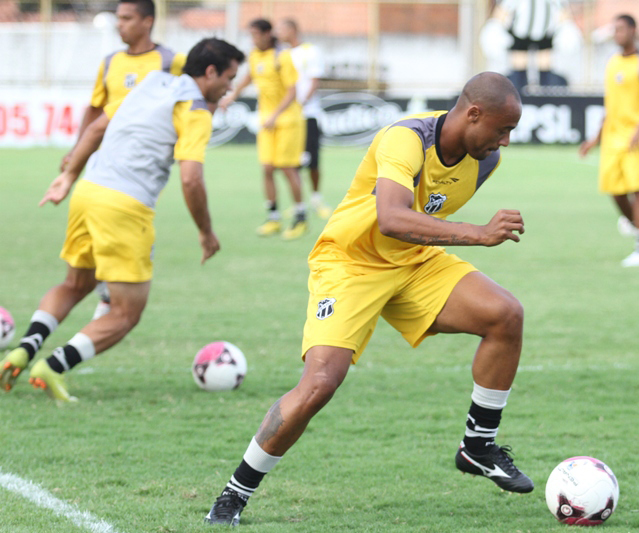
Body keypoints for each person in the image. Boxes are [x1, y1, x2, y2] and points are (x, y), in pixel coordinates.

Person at [205, 72, 532, 526]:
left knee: (505, 314)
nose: (506, 141)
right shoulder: (406, 138)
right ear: (473, 114)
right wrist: (478, 233)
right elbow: (392, 218)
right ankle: (234, 494)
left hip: (412, 260)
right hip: (351, 263)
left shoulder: (486, 160)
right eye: (502, 129)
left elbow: (422, 217)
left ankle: (478, 447)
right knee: (320, 383)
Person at [0, 38, 245, 402]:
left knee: (74, 284)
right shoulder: (195, 111)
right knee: (126, 312)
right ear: (210, 72)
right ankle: (52, 366)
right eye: (229, 78)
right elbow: (191, 179)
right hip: (124, 206)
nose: (230, 88)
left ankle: (24, 349)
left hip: (88, 192)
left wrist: (69, 176)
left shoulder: (152, 82)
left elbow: (96, 129)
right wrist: (206, 232)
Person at [62, 0, 187, 320]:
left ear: (147, 21)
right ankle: (105, 307)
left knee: (126, 231)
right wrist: (76, 150)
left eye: (127, 18)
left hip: (141, 164)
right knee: (98, 237)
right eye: (118, 18)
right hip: (104, 161)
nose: (120, 24)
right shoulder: (110, 62)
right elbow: (95, 109)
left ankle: (107, 305)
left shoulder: (171, 60)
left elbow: (193, 97)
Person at [579, 14, 639, 267]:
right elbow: (611, 105)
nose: (617, 34)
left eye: (621, 29)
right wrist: (595, 138)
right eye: (614, 30)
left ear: (633, 30)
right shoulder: (613, 62)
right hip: (613, 138)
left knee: (638, 190)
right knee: (616, 192)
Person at [219, 19, 308, 240]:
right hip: (267, 121)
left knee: (287, 168)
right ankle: (273, 217)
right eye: (251, 35)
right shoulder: (254, 55)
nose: (253, 39)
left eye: (256, 35)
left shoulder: (282, 56)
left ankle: (300, 217)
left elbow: (292, 92)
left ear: (268, 34)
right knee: (267, 168)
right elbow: (249, 76)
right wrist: (232, 96)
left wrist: (275, 115)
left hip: (288, 121)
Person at [277, 18, 332, 220]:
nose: (278, 33)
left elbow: (314, 81)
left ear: (293, 30)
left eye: (281, 29)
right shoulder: (280, 54)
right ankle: (298, 203)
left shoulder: (310, 51)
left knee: (313, 161)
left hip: (308, 114)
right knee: (291, 163)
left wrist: (300, 103)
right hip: (288, 118)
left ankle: (316, 199)